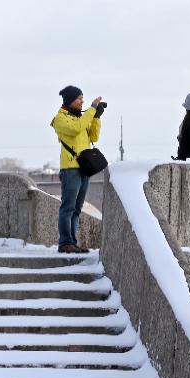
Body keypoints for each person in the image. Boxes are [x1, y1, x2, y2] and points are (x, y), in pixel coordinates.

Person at [50, 85, 104, 254]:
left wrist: (96, 117)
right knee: (67, 208)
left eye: (83, 99)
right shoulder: (60, 119)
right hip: (70, 169)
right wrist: (92, 110)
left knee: (77, 209)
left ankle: (72, 242)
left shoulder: (82, 117)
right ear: (70, 100)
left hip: (84, 169)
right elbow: (76, 129)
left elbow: (94, 137)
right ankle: (65, 243)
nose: (83, 102)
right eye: (79, 98)